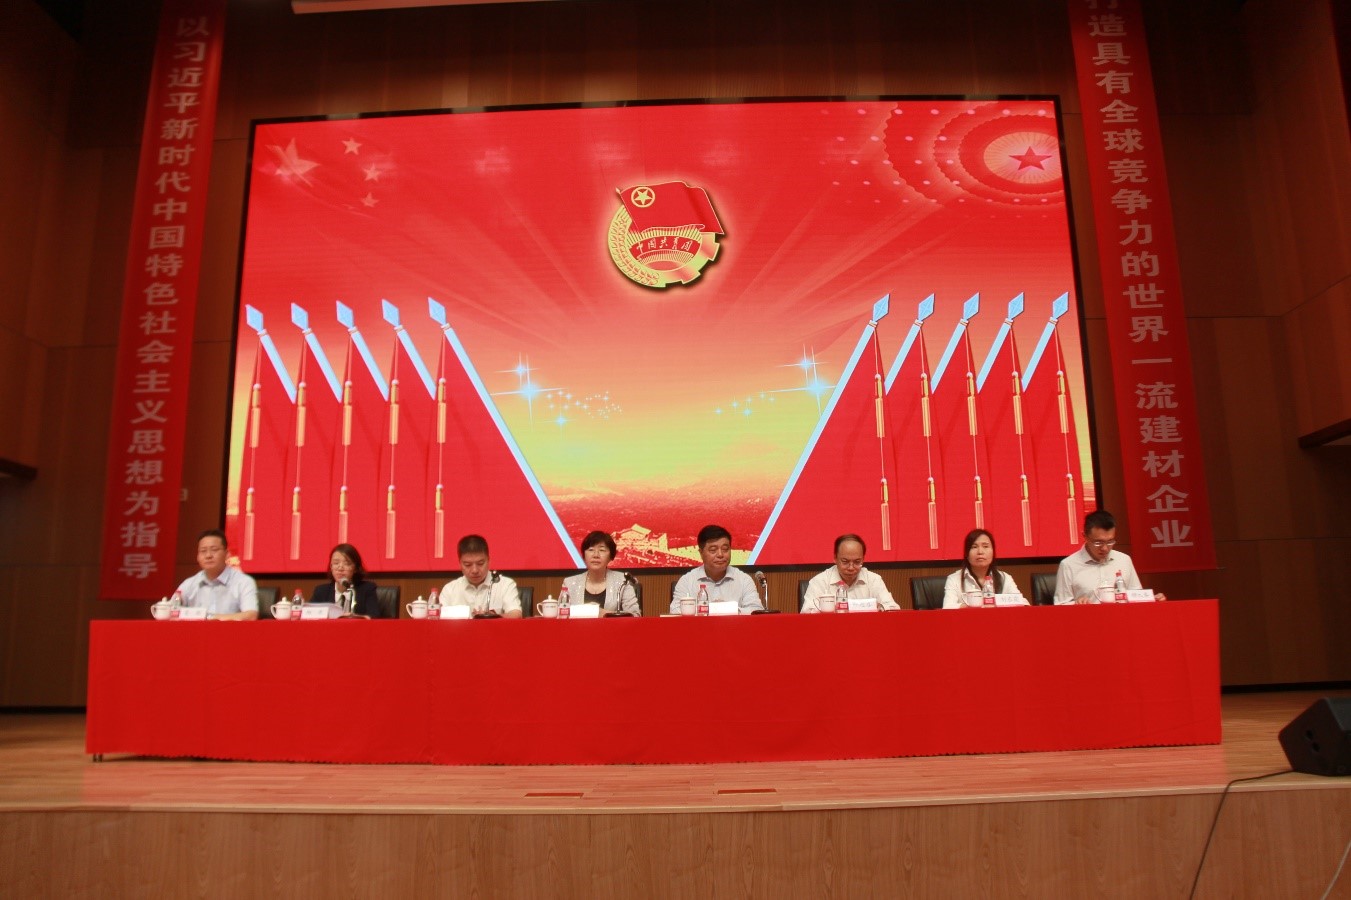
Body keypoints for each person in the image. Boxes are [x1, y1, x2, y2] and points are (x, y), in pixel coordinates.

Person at [1054, 510, 1167, 604]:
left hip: (1122, 620)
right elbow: (1060, 604)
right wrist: (1076, 604)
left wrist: (1153, 599)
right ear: (1085, 537)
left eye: (1110, 542)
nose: (1105, 548)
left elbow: (1136, 596)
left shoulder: (1124, 560)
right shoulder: (1068, 565)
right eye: (1098, 542)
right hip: (1087, 621)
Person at [669, 524, 764, 614]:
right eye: (713, 550)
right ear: (701, 553)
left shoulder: (743, 580)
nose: (720, 555)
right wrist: (710, 610)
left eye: (725, 549)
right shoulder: (687, 581)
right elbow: (675, 611)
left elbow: (756, 610)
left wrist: (728, 610)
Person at [801, 533, 900, 612]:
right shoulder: (819, 582)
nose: (851, 568)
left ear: (863, 559)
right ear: (835, 558)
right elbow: (807, 613)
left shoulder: (873, 580)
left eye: (857, 562)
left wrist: (881, 607)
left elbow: (893, 608)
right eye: (845, 561)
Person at [173, 529, 258, 620]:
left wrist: (210, 618)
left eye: (214, 550)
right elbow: (172, 612)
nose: (208, 555)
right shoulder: (189, 584)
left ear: (227, 554)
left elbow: (251, 615)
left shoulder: (244, 582)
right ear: (198, 556)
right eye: (203, 551)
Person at [439, 534, 522, 617]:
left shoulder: (505, 584)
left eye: (480, 563)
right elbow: (439, 619)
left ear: (489, 560)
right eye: (468, 565)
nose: (475, 570)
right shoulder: (449, 590)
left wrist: (493, 617)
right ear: (460, 563)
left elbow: (516, 615)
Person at [561, 531, 641, 616]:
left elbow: (635, 615)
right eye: (591, 550)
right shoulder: (569, 583)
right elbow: (561, 615)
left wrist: (604, 613)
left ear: (611, 556)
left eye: (602, 550)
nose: (596, 555)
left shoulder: (623, 581)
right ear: (584, 555)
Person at [943, 528, 1027, 608]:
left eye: (985, 546)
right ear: (966, 554)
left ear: (993, 552)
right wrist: (973, 605)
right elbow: (947, 607)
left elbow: (1023, 604)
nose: (980, 552)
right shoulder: (954, 579)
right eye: (974, 547)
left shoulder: (1004, 578)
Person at [308, 543, 385, 617]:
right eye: (336, 563)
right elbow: (308, 615)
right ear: (331, 567)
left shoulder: (367, 589)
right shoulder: (321, 592)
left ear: (355, 568)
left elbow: (373, 616)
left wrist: (352, 618)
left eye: (347, 564)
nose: (340, 568)